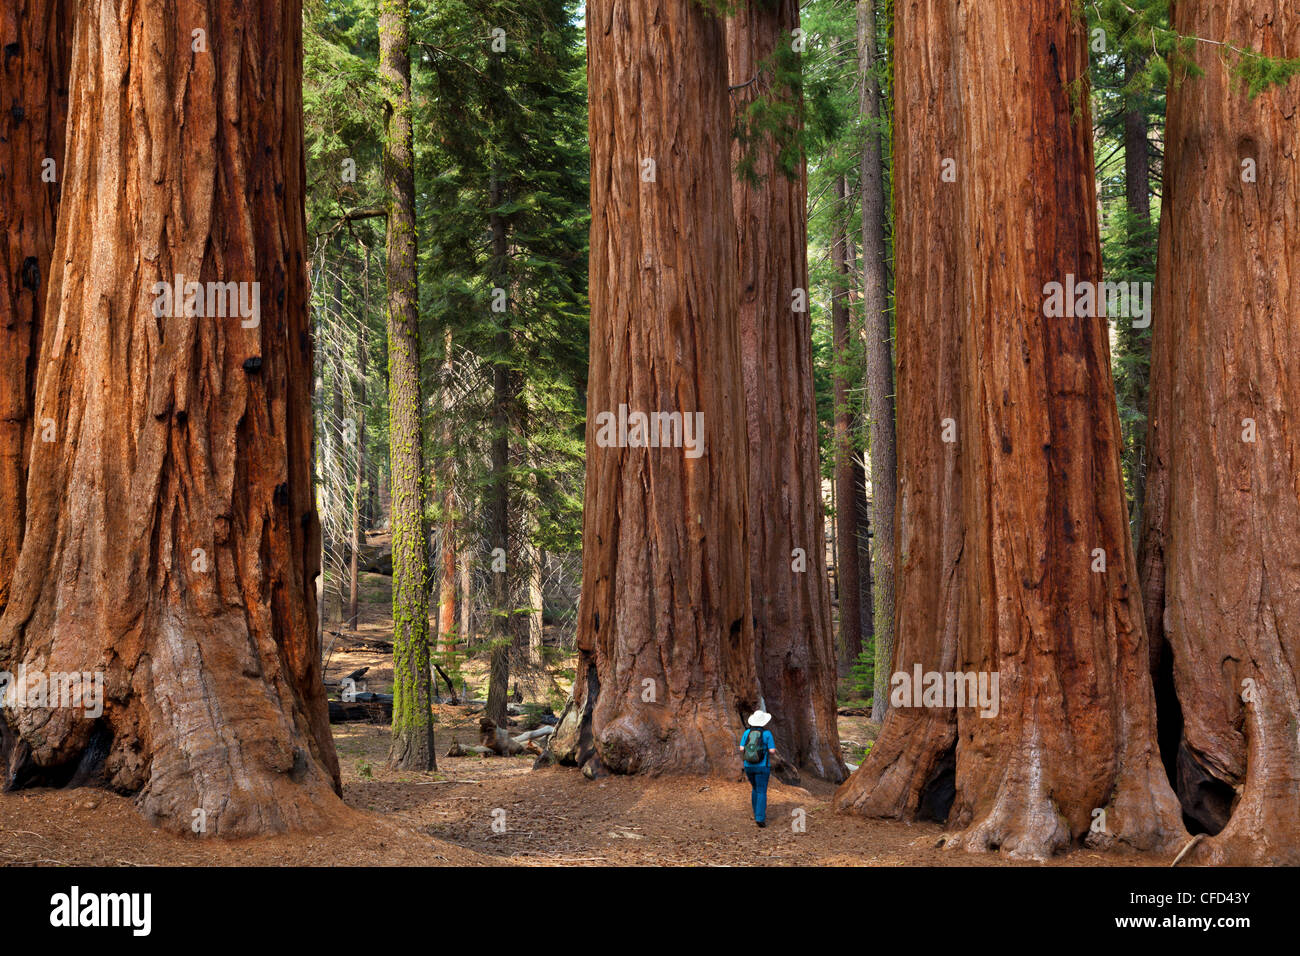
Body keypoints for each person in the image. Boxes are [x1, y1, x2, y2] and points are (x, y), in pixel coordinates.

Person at [739, 710, 776, 827]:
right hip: (762, 766)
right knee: (761, 790)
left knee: (755, 788)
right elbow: (772, 751)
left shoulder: (747, 732)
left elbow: (741, 748)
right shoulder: (767, 734)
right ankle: (759, 818)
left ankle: (756, 812)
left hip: (748, 766)